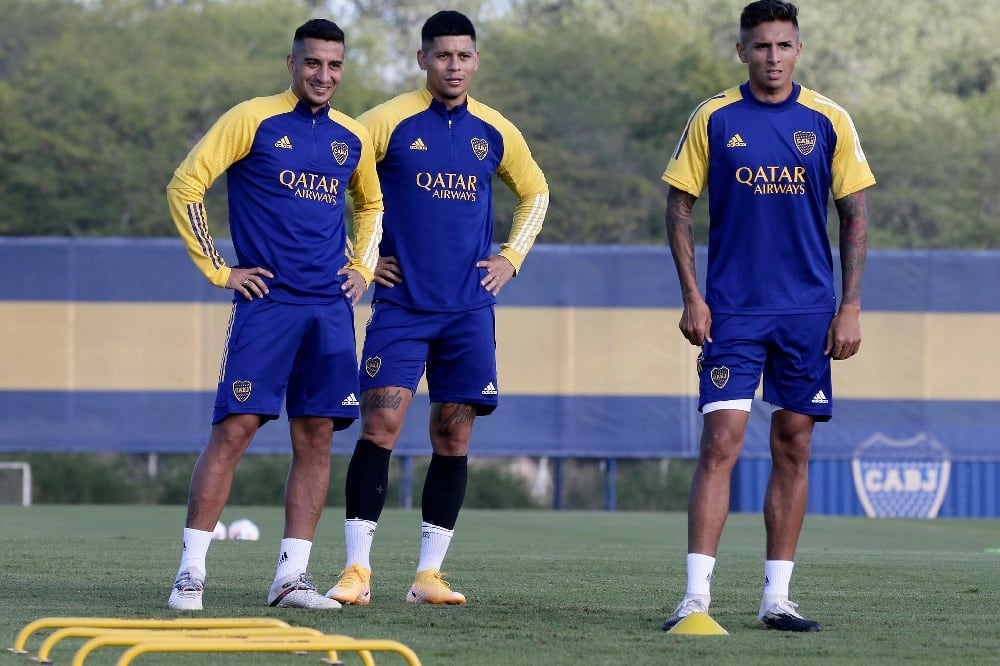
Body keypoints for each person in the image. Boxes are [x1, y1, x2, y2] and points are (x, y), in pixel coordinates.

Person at [660, 0, 874, 632]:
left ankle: (776, 598)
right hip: (732, 310)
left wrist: (851, 306)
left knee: (794, 444)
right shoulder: (714, 117)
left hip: (808, 313)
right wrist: (692, 296)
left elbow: (856, 217)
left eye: (783, 46)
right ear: (742, 51)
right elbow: (678, 209)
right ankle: (696, 597)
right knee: (721, 441)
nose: (772, 57)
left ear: (798, 50)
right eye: (761, 46)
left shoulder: (829, 120)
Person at [325, 10, 548, 606]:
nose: (454, 65)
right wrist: (361, 258)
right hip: (401, 307)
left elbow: (536, 191)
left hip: (468, 312)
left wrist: (511, 257)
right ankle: (356, 571)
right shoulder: (387, 121)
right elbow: (331, 172)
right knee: (381, 426)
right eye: (442, 55)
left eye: (464, 55)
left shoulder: (495, 130)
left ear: (476, 61)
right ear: (422, 59)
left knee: (453, 439)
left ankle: (428, 576)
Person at [164, 18, 383, 611]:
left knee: (316, 438)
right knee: (234, 430)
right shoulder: (252, 118)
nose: (324, 75)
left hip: (330, 310)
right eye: (313, 63)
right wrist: (221, 269)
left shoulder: (352, 136)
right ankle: (190, 573)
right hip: (267, 304)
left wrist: (361, 267)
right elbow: (187, 185)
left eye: (335, 66)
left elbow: (371, 203)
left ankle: (291, 579)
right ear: (292, 64)